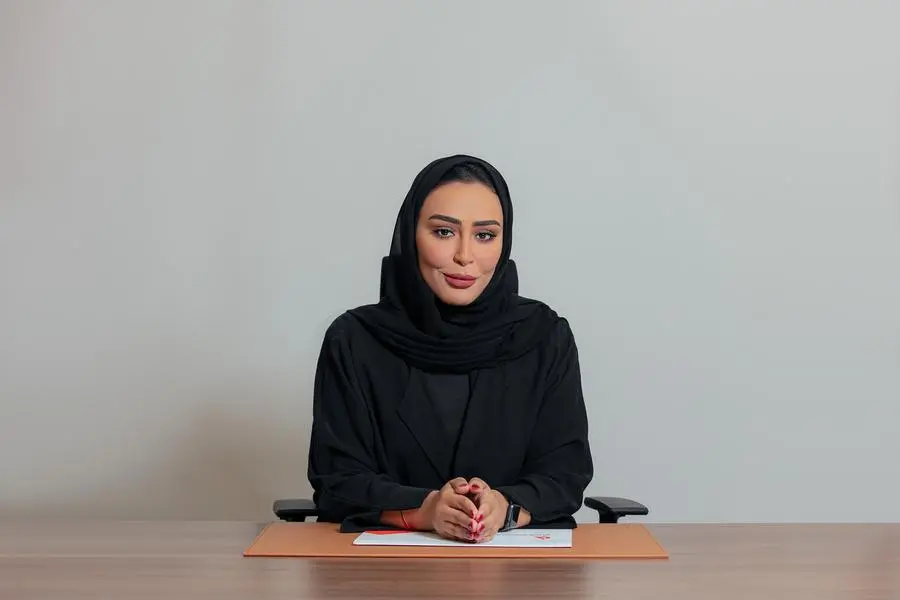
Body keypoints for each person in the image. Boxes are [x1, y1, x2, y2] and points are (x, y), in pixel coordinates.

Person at [307, 154, 593, 543]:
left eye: (485, 235)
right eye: (444, 232)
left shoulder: (545, 336)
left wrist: (505, 507)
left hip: (516, 567)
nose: (464, 255)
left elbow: (566, 474)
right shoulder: (354, 339)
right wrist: (423, 510)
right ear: (411, 234)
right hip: (384, 569)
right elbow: (337, 479)